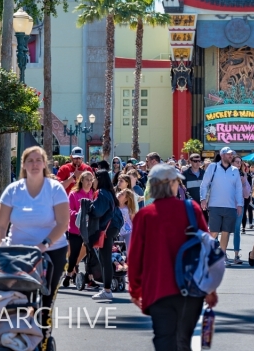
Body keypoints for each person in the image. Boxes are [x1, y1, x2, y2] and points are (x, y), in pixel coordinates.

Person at [128, 164, 218, 351]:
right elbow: (208, 247)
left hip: (158, 290)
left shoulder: (144, 216)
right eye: (177, 181)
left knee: (164, 339)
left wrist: (135, 290)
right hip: (191, 288)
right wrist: (210, 287)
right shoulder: (191, 209)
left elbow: (135, 257)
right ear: (169, 184)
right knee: (183, 341)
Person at [0, 146, 70, 316]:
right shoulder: (12, 191)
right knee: (18, 300)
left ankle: (43, 338)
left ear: (44, 164)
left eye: (38, 160)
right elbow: (0, 226)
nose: (34, 164)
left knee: (45, 303)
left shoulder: (55, 189)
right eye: (30, 161)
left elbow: (63, 223)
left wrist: (43, 246)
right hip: (18, 253)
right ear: (23, 165)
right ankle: (18, 336)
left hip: (52, 250)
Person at [199, 147, 244, 253]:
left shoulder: (235, 170)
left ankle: (222, 255)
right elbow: (204, 184)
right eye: (228, 154)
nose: (230, 156)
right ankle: (204, 253)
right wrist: (203, 199)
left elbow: (238, 188)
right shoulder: (213, 167)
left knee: (226, 232)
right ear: (222, 155)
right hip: (215, 205)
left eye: (231, 154)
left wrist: (240, 204)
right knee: (214, 232)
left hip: (230, 206)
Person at [87, 170, 121, 303]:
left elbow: (97, 211)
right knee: (105, 258)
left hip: (105, 229)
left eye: (94, 178)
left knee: (105, 259)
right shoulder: (109, 193)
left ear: (99, 179)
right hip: (112, 228)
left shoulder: (101, 193)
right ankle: (107, 289)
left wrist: (89, 207)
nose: (93, 181)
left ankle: (107, 290)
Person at [63, 171, 97, 288]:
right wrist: (78, 215)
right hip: (75, 229)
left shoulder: (93, 193)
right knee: (74, 254)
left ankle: (90, 277)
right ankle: (68, 274)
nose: (89, 182)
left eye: (91, 180)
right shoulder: (73, 194)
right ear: (81, 180)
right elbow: (68, 210)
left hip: (89, 229)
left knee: (91, 253)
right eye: (87, 179)